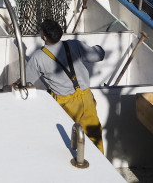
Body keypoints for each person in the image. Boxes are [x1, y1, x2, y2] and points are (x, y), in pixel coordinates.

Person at [26, 19, 105, 153]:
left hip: (63, 104)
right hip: (85, 99)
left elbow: (27, 82)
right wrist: (99, 49)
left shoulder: (38, 58)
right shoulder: (74, 45)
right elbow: (98, 56)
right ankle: (100, 165)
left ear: (44, 37)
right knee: (94, 135)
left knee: (66, 138)